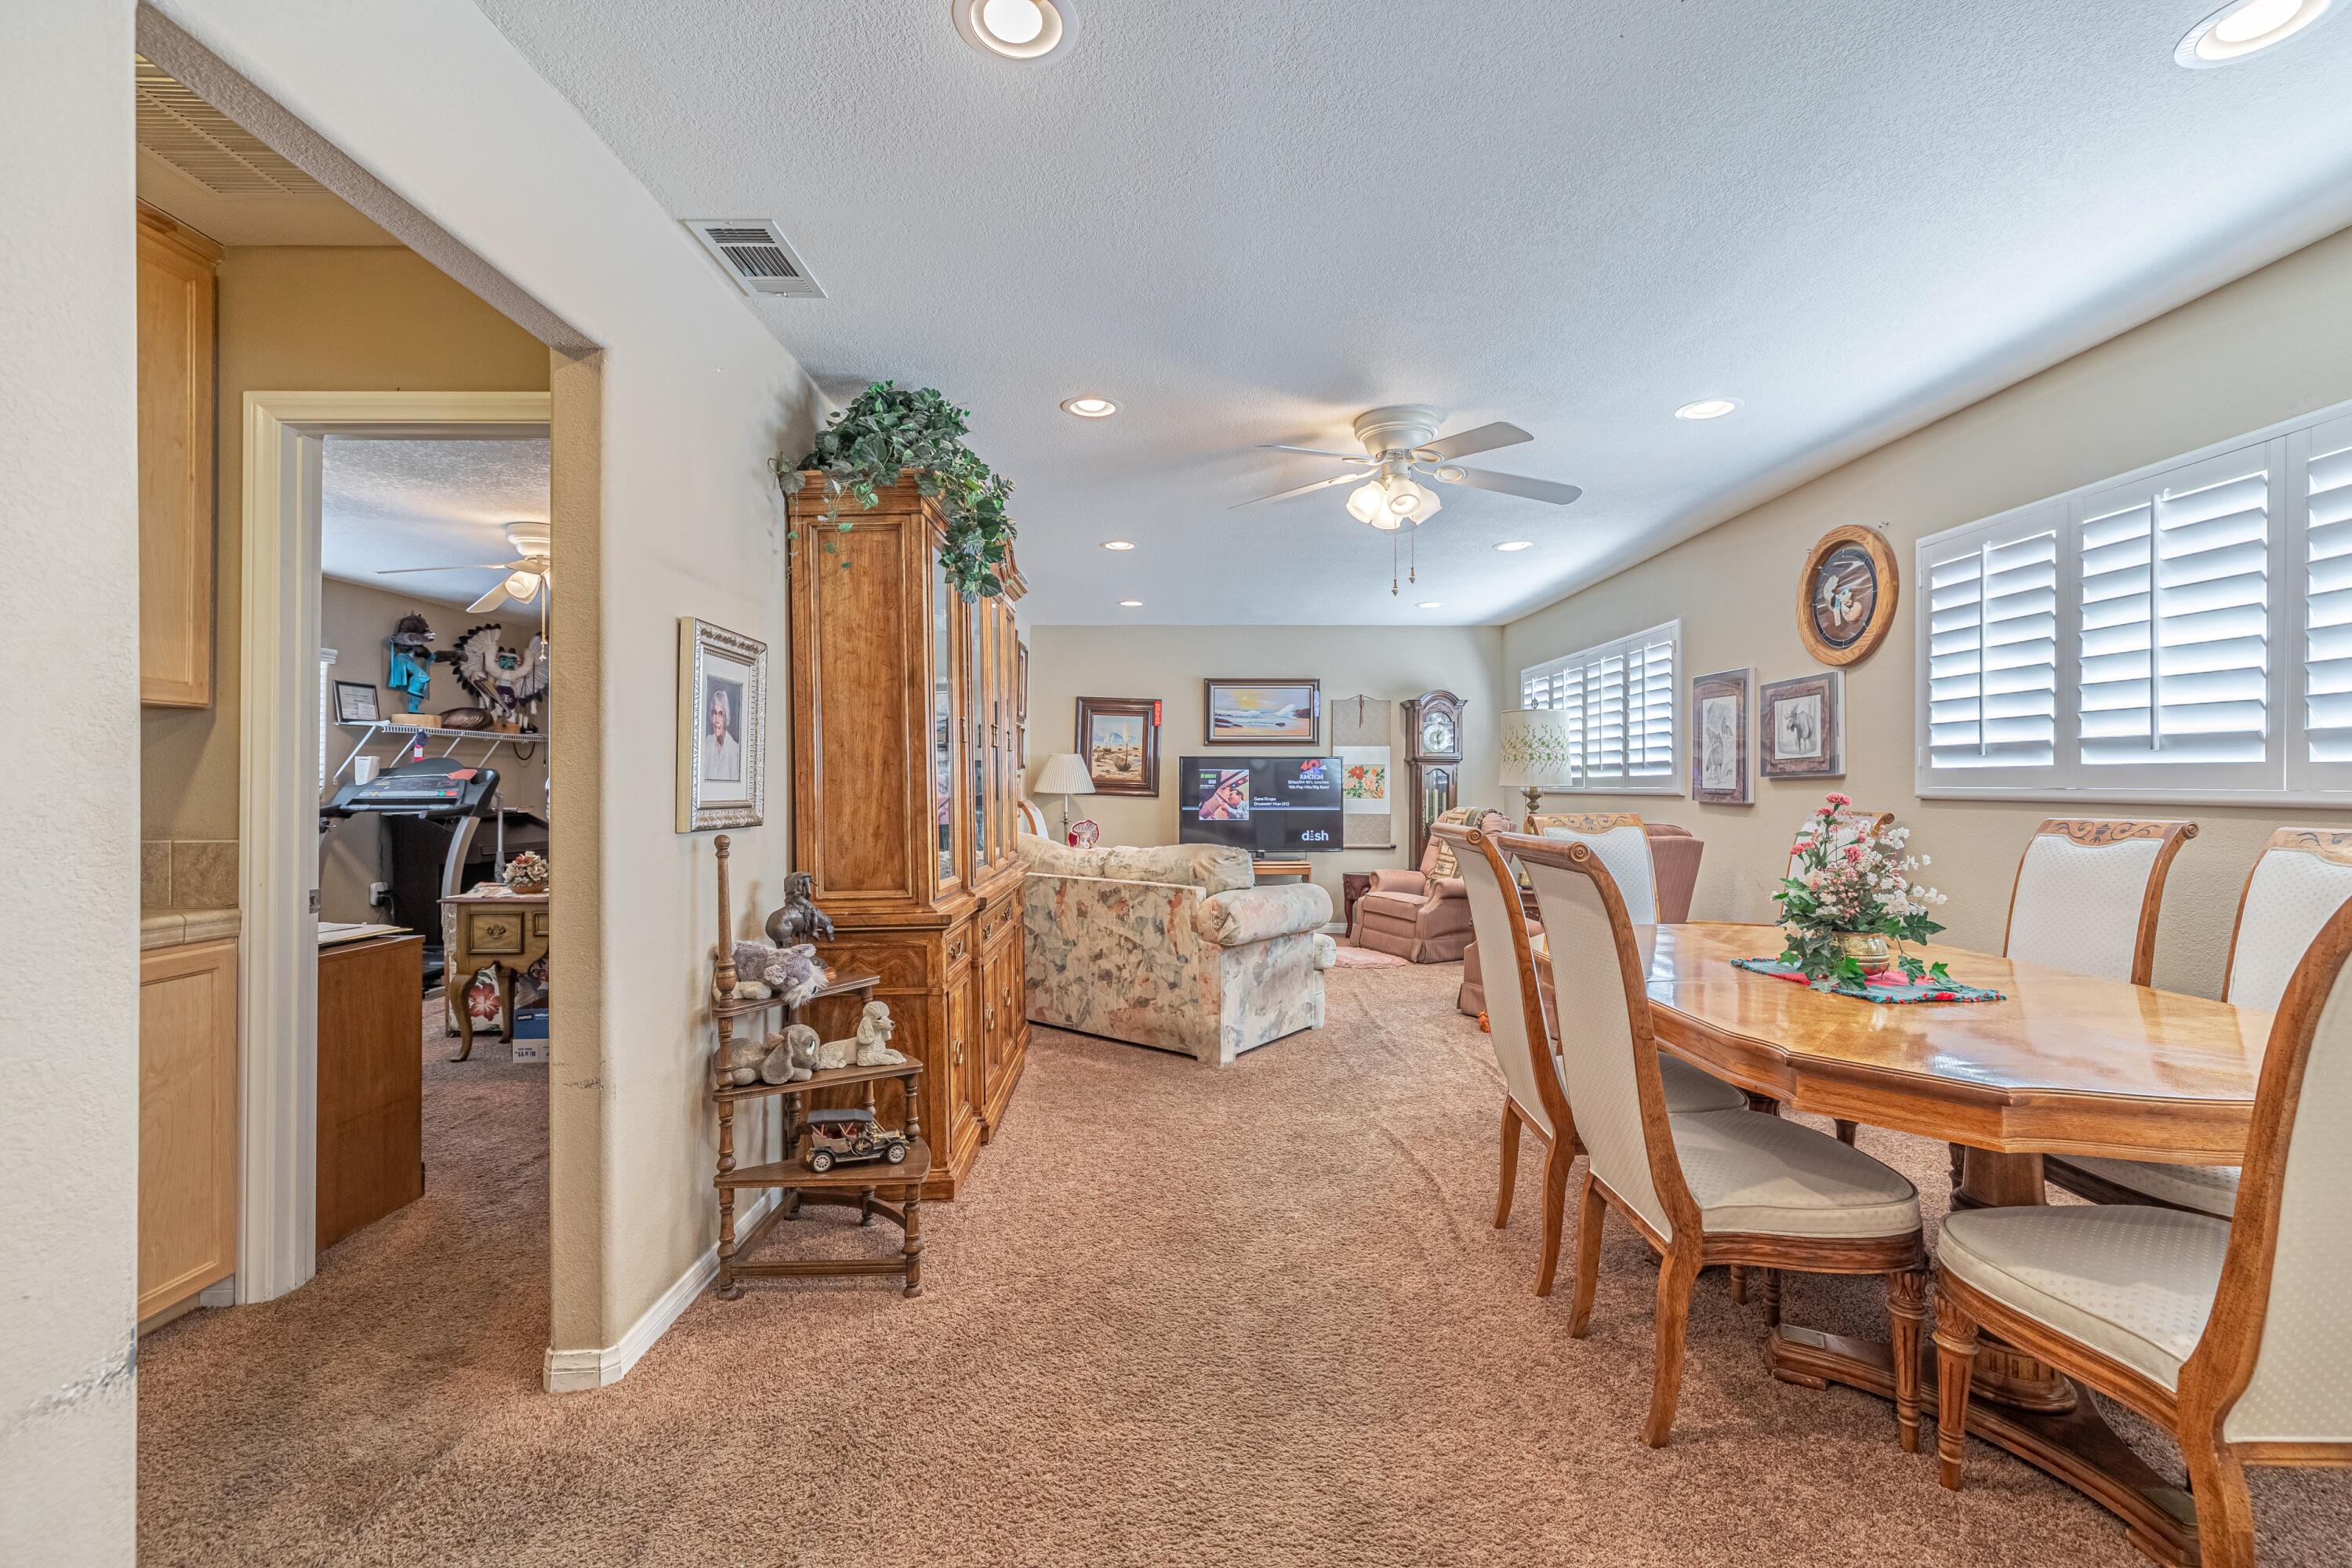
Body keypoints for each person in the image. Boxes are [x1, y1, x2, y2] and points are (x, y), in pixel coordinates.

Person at [704, 684, 743, 783]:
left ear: (726, 718)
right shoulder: (708, 742)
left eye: (721, 714)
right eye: (715, 713)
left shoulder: (735, 750)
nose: (717, 720)